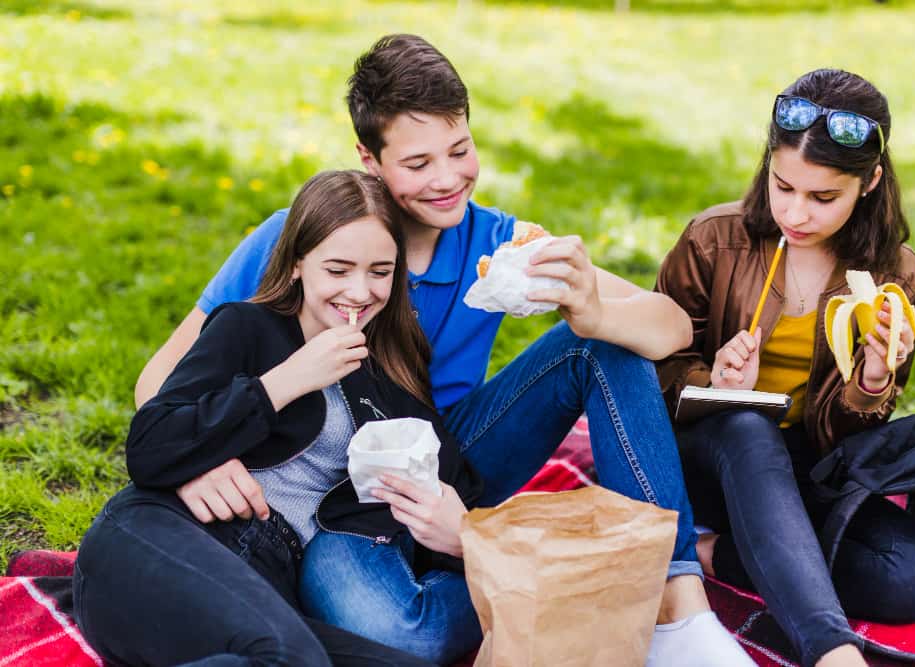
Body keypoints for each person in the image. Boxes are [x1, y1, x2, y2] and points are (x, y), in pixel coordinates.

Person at [133, 34, 753, 666]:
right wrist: (197, 459)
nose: (447, 179)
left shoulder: (502, 246)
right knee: (396, 635)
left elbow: (674, 327)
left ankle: (676, 601)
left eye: (460, 151)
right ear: (369, 160)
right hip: (322, 494)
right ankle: (560, 578)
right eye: (418, 163)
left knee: (601, 343)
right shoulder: (313, 238)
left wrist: (590, 308)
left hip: (450, 458)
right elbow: (159, 380)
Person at [72, 170, 480, 666]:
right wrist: (286, 382)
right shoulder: (248, 328)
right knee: (292, 657)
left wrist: (463, 538)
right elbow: (150, 444)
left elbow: (457, 489)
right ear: (296, 267)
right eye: (338, 269)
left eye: (379, 271)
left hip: (264, 587)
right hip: (165, 542)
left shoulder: (388, 383)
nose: (359, 290)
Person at [655, 68, 915, 667]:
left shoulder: (898, 276)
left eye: (823, 198)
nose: (795, 212)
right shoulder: (714, 240)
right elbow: (645, 374)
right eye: (782, 185)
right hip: (707, 455)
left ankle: (714, 554)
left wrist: (872, 381)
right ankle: (831, 649)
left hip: (806, 471)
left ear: (869, 182)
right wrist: (712, 383)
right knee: (748, 426)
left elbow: (853, 445)